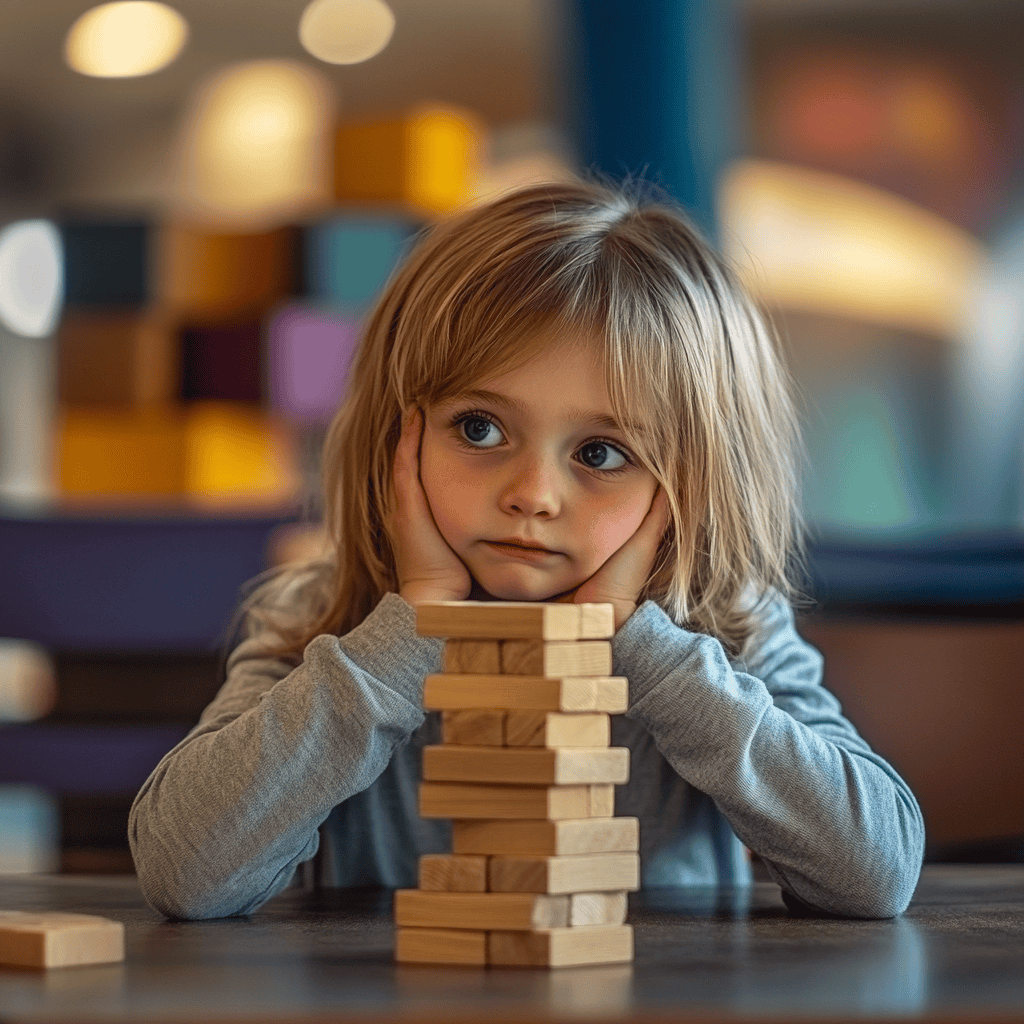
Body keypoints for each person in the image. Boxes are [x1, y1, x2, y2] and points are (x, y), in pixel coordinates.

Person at [129, 178, 925, 921]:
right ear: (393, 439)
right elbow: (183, 872)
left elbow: (876, 873)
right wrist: (410, 636)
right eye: (479, 429)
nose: (532, 495)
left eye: (601, 453)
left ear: (689, 483)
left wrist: (642, 644)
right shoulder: (328, 617)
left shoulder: (725, 629)